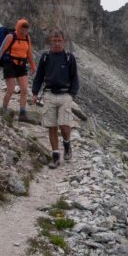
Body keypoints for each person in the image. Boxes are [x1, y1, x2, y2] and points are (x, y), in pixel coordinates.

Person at [31, 29, 79, 168]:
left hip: (65, 95)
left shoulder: (70, 58)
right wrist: (34, 93)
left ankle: (67, 143)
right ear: (51, 41)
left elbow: (75, 77)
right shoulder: (45, 57)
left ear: (64, 41)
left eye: (59, 41)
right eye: (54, 40)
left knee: (64, 125)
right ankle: (56, 156)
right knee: (51, 126)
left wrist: (72, 95)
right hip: (49, 94)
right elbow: (39, 76)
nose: (57, 43)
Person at [0, 18, 37, 121]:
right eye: (22, 28)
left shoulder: (27, 38)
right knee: (11, 90)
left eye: (26, 28)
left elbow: (29, 53)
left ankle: (22, 114)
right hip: (10, 64)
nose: (24, 31)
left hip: (22, 65)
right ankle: (4, 109)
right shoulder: (10, 36)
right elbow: (1, 51)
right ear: (18, 27)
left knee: (24, 90)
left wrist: (33, 66)